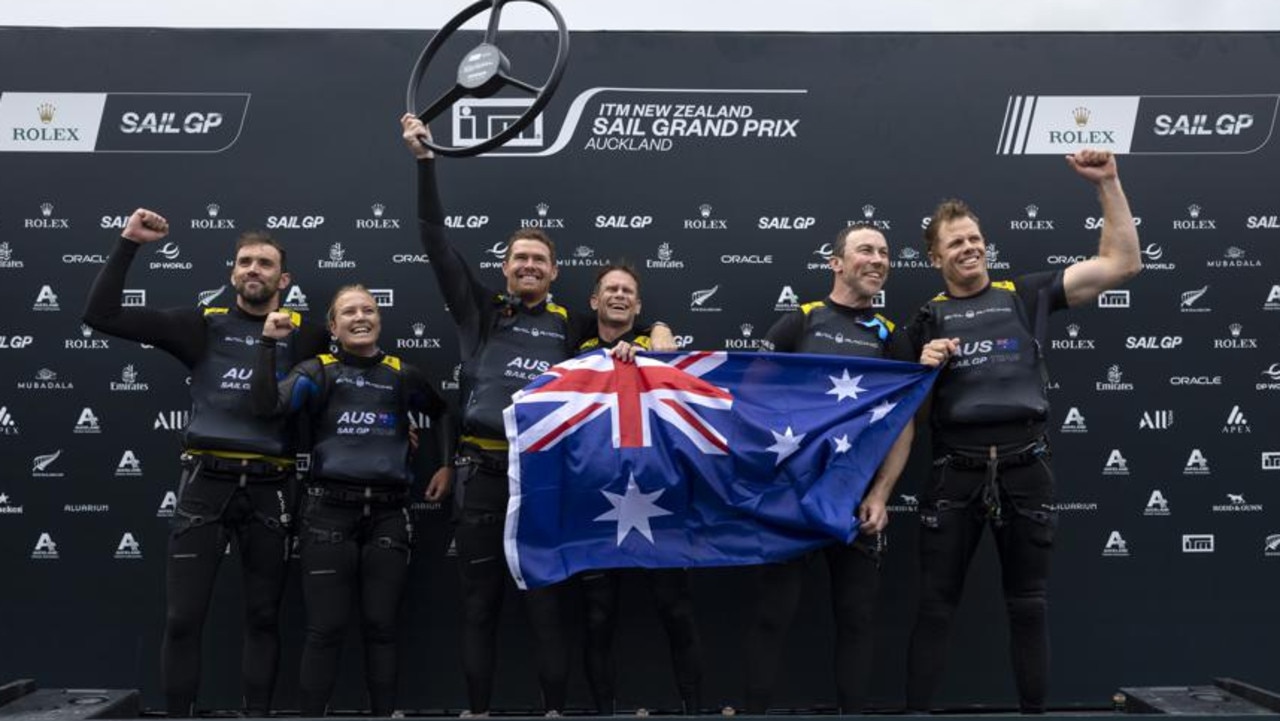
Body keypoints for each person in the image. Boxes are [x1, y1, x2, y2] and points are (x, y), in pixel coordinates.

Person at [401, 114, 666, 716]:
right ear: (505, 267)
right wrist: (424, 163)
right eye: (518, 258)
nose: (527, 266)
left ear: (554, 272)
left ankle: (553, 712)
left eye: (538, 260)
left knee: (547, 603)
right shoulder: (481, 313)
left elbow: (628, 332)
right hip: (481, 477)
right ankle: (478, 711)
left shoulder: (571, 323)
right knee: (479, 604)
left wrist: (648, 340)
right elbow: (433, 238)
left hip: (544, 480)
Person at [903, 149, 1141, 713]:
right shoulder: (922, 320)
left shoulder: (1025, 294)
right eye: (955, 242)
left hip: (1025, 469)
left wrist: (1108, 182)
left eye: (974, 237)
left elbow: (1123, 263)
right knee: (936, 606)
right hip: (952, 474)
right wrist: (922, 366)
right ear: (935, 255)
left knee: (1028, 604)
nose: (969, 248)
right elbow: (895, 414)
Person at [83, 209, 329, 716]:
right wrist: (129, 243)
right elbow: (101, 315)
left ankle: (257, 715)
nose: (253, 270)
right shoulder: (202, 326)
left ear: (284, 279)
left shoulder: (307, 335)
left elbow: (355, 379)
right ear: (232, 273)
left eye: (265, 263)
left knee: (263, 617)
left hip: (273, 487)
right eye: (245, 263)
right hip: (205, 484)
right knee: (182, 619)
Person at [741, 223, 921, 714]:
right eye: (866, 250)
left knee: (857, 618)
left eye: (885, 252)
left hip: (855, 501)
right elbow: (749, 399)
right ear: (836, 263)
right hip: (792, 497)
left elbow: (902, 427)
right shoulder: (801, 321)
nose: (879, 259)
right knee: (773, 616)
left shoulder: (891, 336)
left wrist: (881, 494)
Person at [251, 285, 452, 716]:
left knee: (381, 628)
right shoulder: (317, 371)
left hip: (389, 515)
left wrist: (446, 465)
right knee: (325, 629)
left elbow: (442, 412)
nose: (360, 317)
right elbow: (267, 407)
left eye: (369, 309)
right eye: (348, 312)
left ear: (379, 319)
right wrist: (268, 344)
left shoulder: (402, 374)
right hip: (328, 512)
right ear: (333, 326)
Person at [574, 264, 705, 715]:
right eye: (610, 289)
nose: (619, 295)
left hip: (659, 500)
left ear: (639, 305)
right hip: (595, 500)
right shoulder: (573, 348)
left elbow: (688, 397)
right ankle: (603, 712)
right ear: (594, 301)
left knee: (678, 612)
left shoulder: (657, 345)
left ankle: (694, 709)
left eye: (627, 290)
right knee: (597, 617)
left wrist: (656, 352)